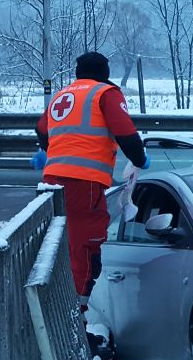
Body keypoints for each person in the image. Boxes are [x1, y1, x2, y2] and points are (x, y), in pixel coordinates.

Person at [33, 52, 150, 308]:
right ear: (105, 72)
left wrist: (53, 153)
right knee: (85, 249)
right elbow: (125, 133)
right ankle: (78, 320)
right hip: (84, 184)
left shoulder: (64, 95)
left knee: (56, 247)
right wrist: (140, 160)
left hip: (51, 182)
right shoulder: (106, 93)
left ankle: (54, 307)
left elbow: (41, 130)